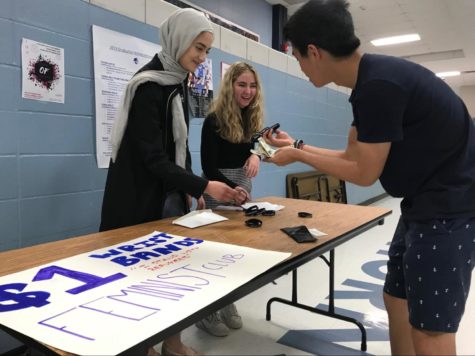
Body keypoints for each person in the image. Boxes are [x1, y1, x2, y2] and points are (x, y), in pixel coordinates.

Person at [263, 0, 475, 354]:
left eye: (297, 56)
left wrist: (298, 155)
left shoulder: (379, 86)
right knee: (396, 297)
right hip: (423, 202)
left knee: (430, 329)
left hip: (449, 207)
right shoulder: (371, 80)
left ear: (313, 52)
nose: (299, 66)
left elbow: (363, 173)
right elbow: (353, 156)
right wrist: (298, 146)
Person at [100, 8, 246, 356]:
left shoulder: (177, 79)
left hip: (167, 194)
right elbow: (153, 159)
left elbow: (179, 145)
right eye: (198, 47)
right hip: (137, 200)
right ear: (178, 40)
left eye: (207, 50)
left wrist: (191, 188)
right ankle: (145, 346)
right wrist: (203, 186)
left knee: (172, 271)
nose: (201, 56)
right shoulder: (148, 85)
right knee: (141, 276)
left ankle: (172, 342)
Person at [197, 61, 264, 336]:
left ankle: (228, 303)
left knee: (237, 251)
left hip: (242, 187)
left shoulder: (252, 116)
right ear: (230, 86)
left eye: (252, 85)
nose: (248, 91)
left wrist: (256, 154)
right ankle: (207, 312)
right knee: (214, 253)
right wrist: (229, 189)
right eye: (241, 85)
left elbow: (261, 141)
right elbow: (208, 167)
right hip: (218, 188)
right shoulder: (213, 120)